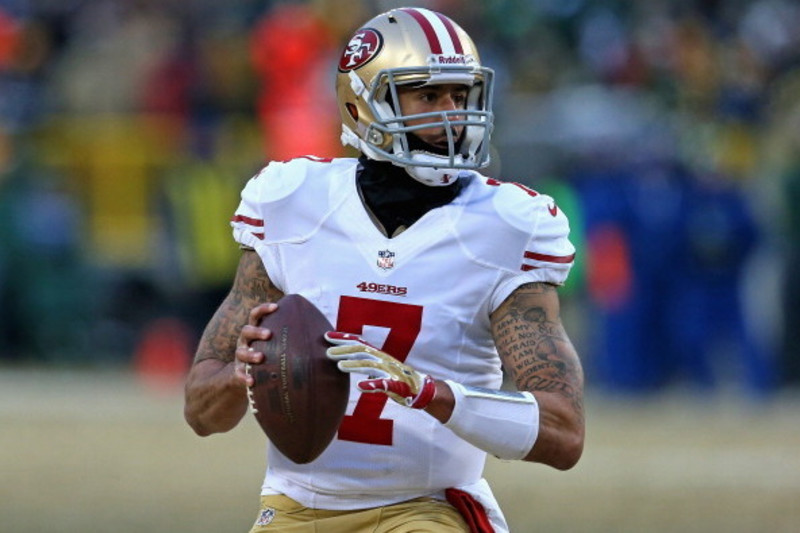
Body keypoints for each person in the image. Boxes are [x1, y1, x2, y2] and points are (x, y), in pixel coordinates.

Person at [184, 7, 584, 533]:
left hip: (429, 506)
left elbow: (563, 433)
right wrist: (244, 373)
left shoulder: (506, 225)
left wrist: (429, 393)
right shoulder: (292, 201)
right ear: (363, 104)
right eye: (427, 95)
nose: (452, 115)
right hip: (297, 505)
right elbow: (202, 412)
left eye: (460, 96)